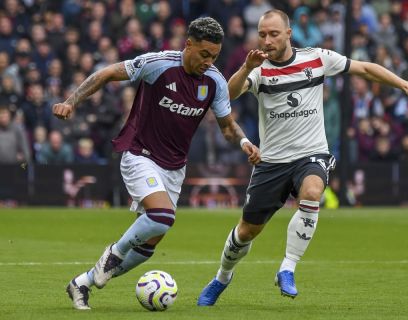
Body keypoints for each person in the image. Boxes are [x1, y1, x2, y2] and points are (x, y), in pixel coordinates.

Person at [197, 9, 408, 306]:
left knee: (312, 192)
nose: (267, 40)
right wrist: (246, 68)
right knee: (246, 232)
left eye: (273, 34)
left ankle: (288, 268)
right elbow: (227, 96)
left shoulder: (316, 58)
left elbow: (364, 69)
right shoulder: (258, 69)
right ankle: (222, 277)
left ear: (288, 33)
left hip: (311, 153)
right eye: (262, 35)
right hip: (272, 162)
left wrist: (404, 84)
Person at [53, 17, 261, 310]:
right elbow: (107, 73)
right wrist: (71, 101)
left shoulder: (214, 81)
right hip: (140, 155)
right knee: (162, 216)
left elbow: (228, 126)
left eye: (214, 56)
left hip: (175, 167)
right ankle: (112, 254)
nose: (208, 61)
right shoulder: (158, 64)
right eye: (204, 54)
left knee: (150, 242)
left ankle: (82, 283)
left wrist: (244, 143)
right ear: (188, 44)